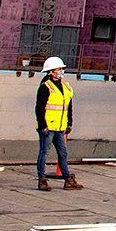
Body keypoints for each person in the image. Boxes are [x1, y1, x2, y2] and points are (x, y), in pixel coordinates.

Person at [34, 56, 83, 191]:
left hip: (60, 127)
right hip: (48, 127)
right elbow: (39, 108)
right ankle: (42, 180)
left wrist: (69, 123)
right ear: (51, 72)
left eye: (61, 69)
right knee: (44, 153)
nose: (61, 71)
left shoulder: (66, 87)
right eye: (59, 69)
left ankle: (68, 180)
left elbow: (69, 107)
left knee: (63, 154)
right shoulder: (45, 87)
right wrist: (43, 125)